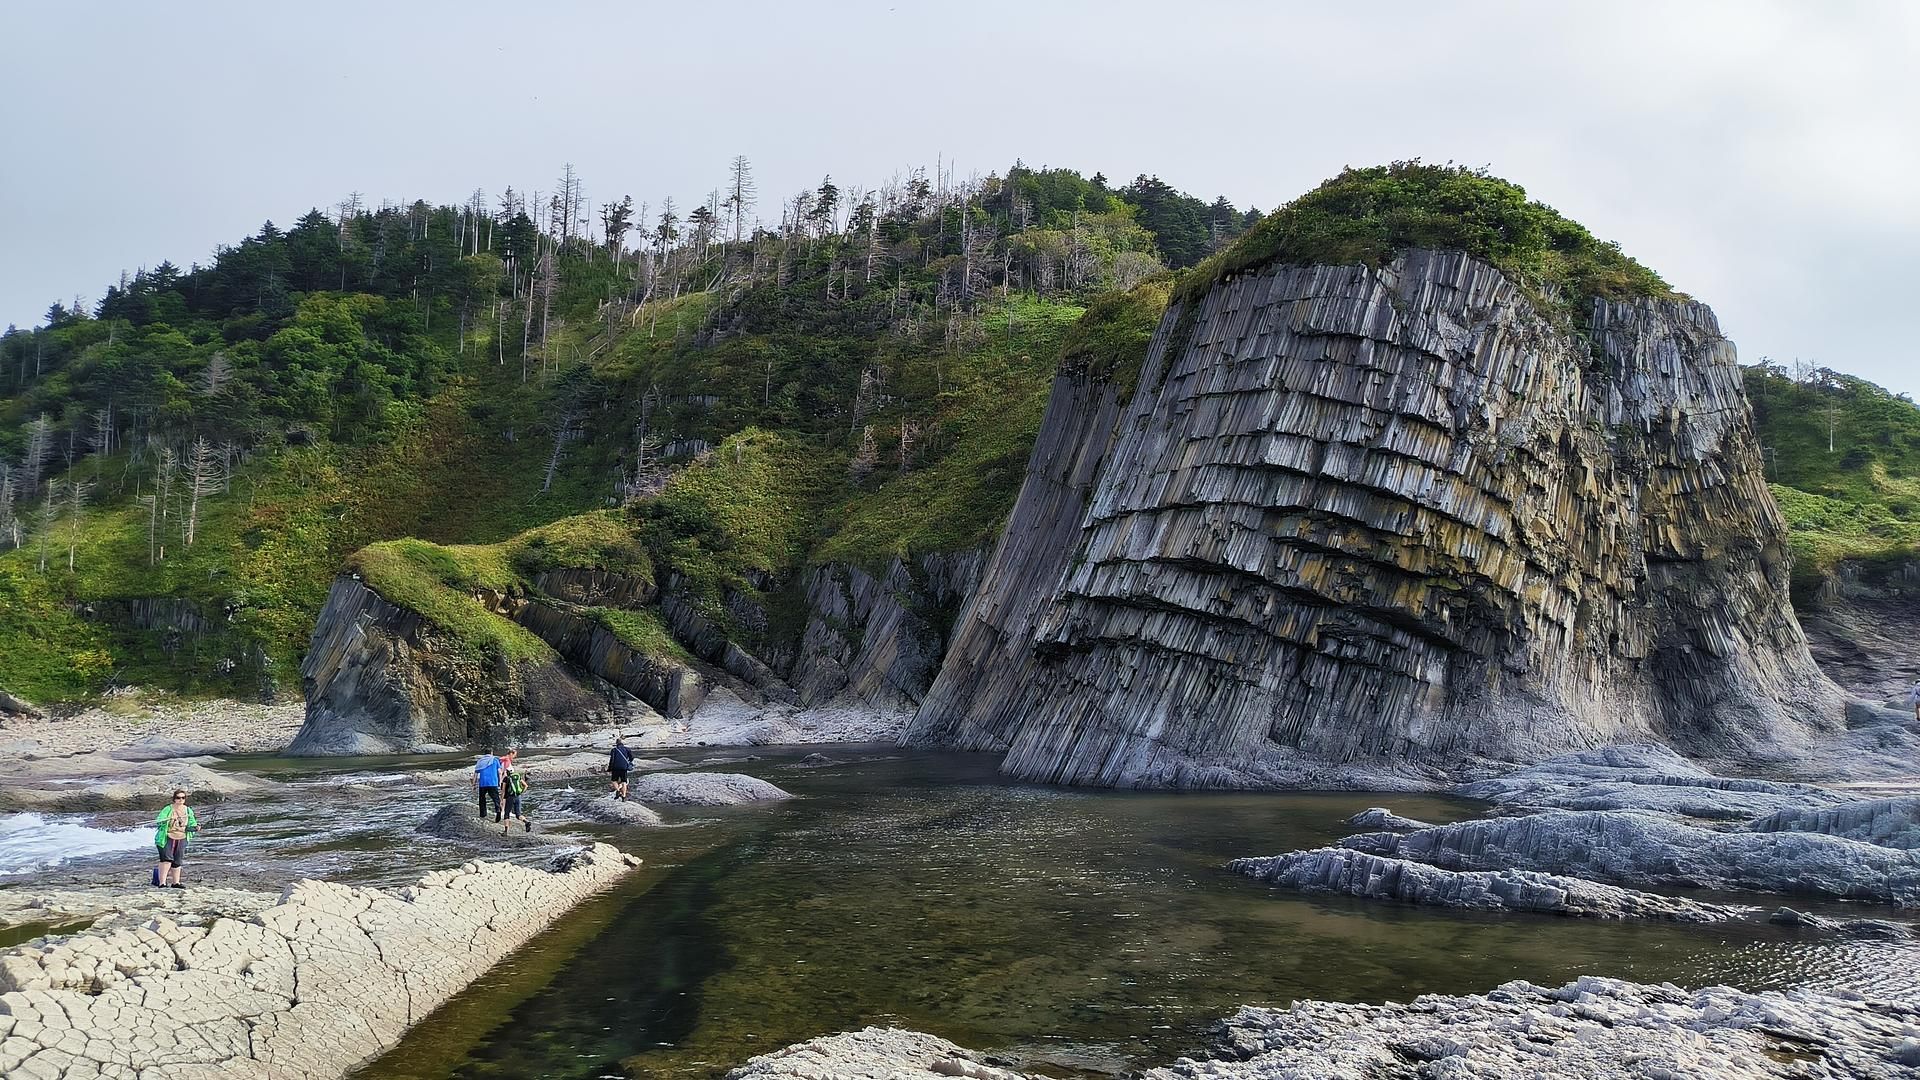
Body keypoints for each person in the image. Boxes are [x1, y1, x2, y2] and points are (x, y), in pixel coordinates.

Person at [152, 789, 197, 889]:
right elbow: (159, 821)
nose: (180, 800)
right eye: (178, 798)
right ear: (174, 799)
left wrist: (195, 827)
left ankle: (176, 882)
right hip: (167, 837)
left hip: (182, 838)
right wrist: (166, 820)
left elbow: (192, 823)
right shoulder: (168, 809)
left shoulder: (188, 810)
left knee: (177, 861)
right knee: (166, 860)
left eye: (183, 798)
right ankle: (162, 883)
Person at [501, 751, 533, 834]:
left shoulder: (506, 778)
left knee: (506, 814)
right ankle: (526, 822)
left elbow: (503, 791)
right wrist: (521, 792)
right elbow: (526, 786)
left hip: (510, 797)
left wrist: (501, 800)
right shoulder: (517, 776)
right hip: (518, 796)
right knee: (518, 814)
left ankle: (505, 831)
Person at [474, 750, 504, 822]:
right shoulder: (495, 759)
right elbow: (500, 772)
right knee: (496, 798)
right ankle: (498, 811)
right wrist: (500, 781)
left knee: (482, 799)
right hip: (493, 782)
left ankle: (483, 814)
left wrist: (474, 784)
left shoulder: (480, 761)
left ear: (484, 754)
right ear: (491, 753)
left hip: (483, 782)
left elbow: (475, 773)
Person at [608, 737, 635, 801]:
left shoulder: (614, 750)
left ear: (616, 743)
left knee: (614, 780)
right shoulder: (627, 749)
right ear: (622, 743)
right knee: (624, 782)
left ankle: (617, 790)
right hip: (624, 767)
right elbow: (632, 758)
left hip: (615, 768)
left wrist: (610, 768)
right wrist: (628, 762)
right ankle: (623, 796)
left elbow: (612, 760)